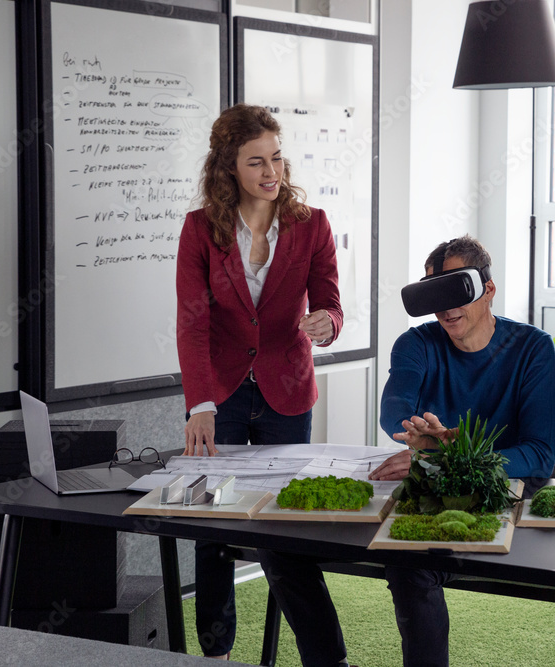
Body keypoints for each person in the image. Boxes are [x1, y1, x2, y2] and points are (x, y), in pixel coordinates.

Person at [176, 103, 345, 663]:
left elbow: (330, 302)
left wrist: (327, 323)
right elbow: (192, 323)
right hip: (219, 393)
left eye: (276, 157)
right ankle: (216, 655)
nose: (272, 172)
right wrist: (199, 403)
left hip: (286, 388)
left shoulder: (311, 223)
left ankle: (324, 656)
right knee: (211, 527)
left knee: (287, 527)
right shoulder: (200, 229)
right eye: (256, 162)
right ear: (228, 167)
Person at [371, 235, 555, 667]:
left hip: (508, 496)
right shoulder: (416, 344)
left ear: (488, 289)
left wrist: (450, 453)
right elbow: (395, 413)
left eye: (456, 291)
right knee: (403, 563)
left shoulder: (532, 347)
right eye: (435, 295)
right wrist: (420, 436)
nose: (446, 308)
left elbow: (540, 455)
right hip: (436, 497)